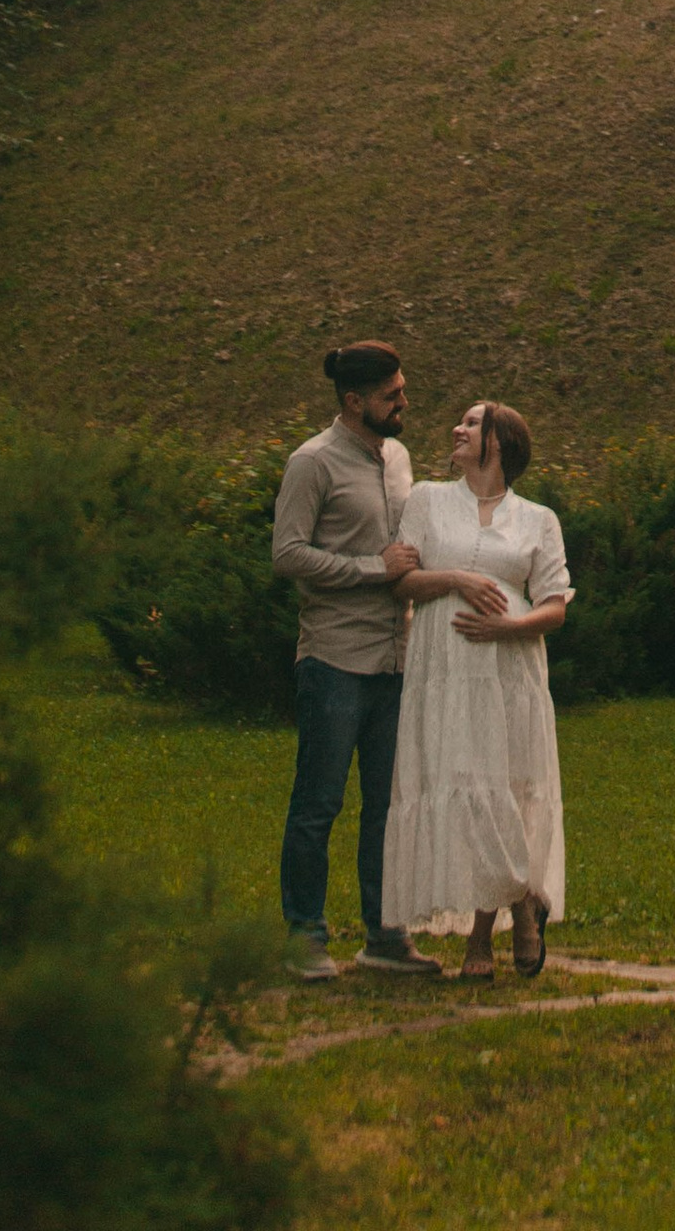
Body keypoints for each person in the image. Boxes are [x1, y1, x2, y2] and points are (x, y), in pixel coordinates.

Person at [270, 339, 443, 982]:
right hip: (335, 659)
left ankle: (385, 936)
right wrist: (373, 569)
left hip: (397, 659)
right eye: (391, 395)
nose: (404, 401)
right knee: (319, 805)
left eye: (401, 389)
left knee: (389, 807)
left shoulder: (398, 457)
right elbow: (287, 554)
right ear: (353, 402)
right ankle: (304, 941)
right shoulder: (311, 464)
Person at [384, 401, 573, 981]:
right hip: (443, 674)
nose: (456, 430)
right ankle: (522, 898)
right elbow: (402, 580)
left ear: (497, 442)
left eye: (470, 424)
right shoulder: (428, 501)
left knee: (506, 790)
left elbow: (554, 604)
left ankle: (481, 939)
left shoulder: (537, 519)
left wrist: (509, 627)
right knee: (465, 787)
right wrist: (459, 579)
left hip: (510, 672)